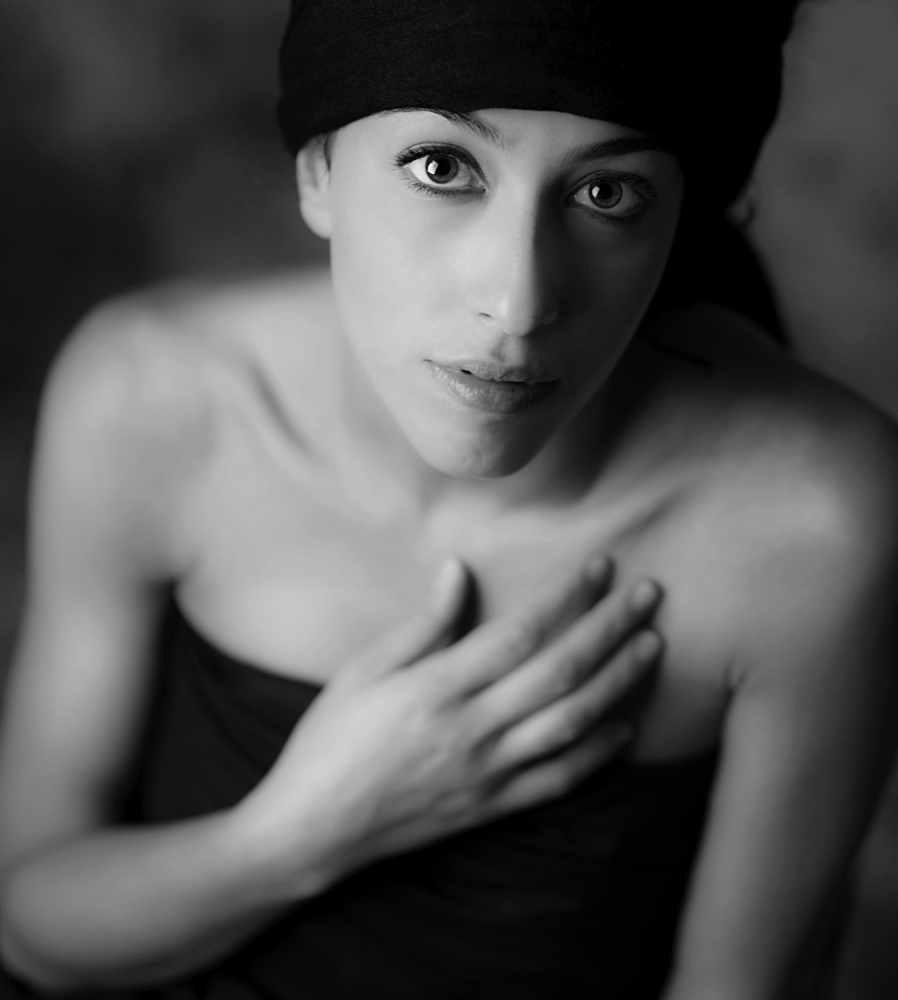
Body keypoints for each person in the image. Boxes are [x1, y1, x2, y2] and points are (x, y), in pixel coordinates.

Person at [1, 1, 897, 997]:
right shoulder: (155, 398)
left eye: (607, 192)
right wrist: (300, 834)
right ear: (318, 173)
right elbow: (31, 927)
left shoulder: (813, 522)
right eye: (441, 168)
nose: (518, 303)